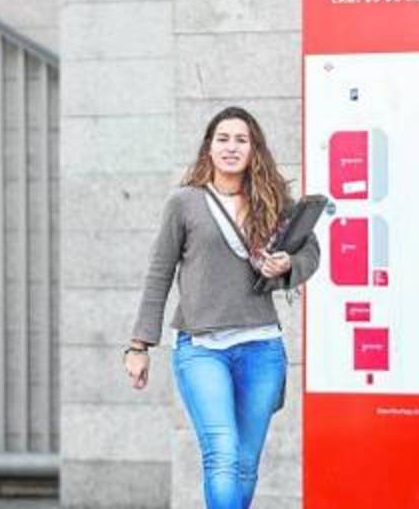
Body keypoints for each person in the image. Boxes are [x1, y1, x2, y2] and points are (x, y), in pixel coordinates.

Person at [124, 106, 320, 509]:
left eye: (241, 140)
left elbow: (311, 253)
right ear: (209, 148)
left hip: (261, 347)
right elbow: (158, 274)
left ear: (254, 149)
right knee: (222, 455)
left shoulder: (273, 201)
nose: (231, 147)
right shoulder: (185, 203)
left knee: (246, 464)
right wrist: (139, 345)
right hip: (201, 348)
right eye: (223, 139)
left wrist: (287, 266)